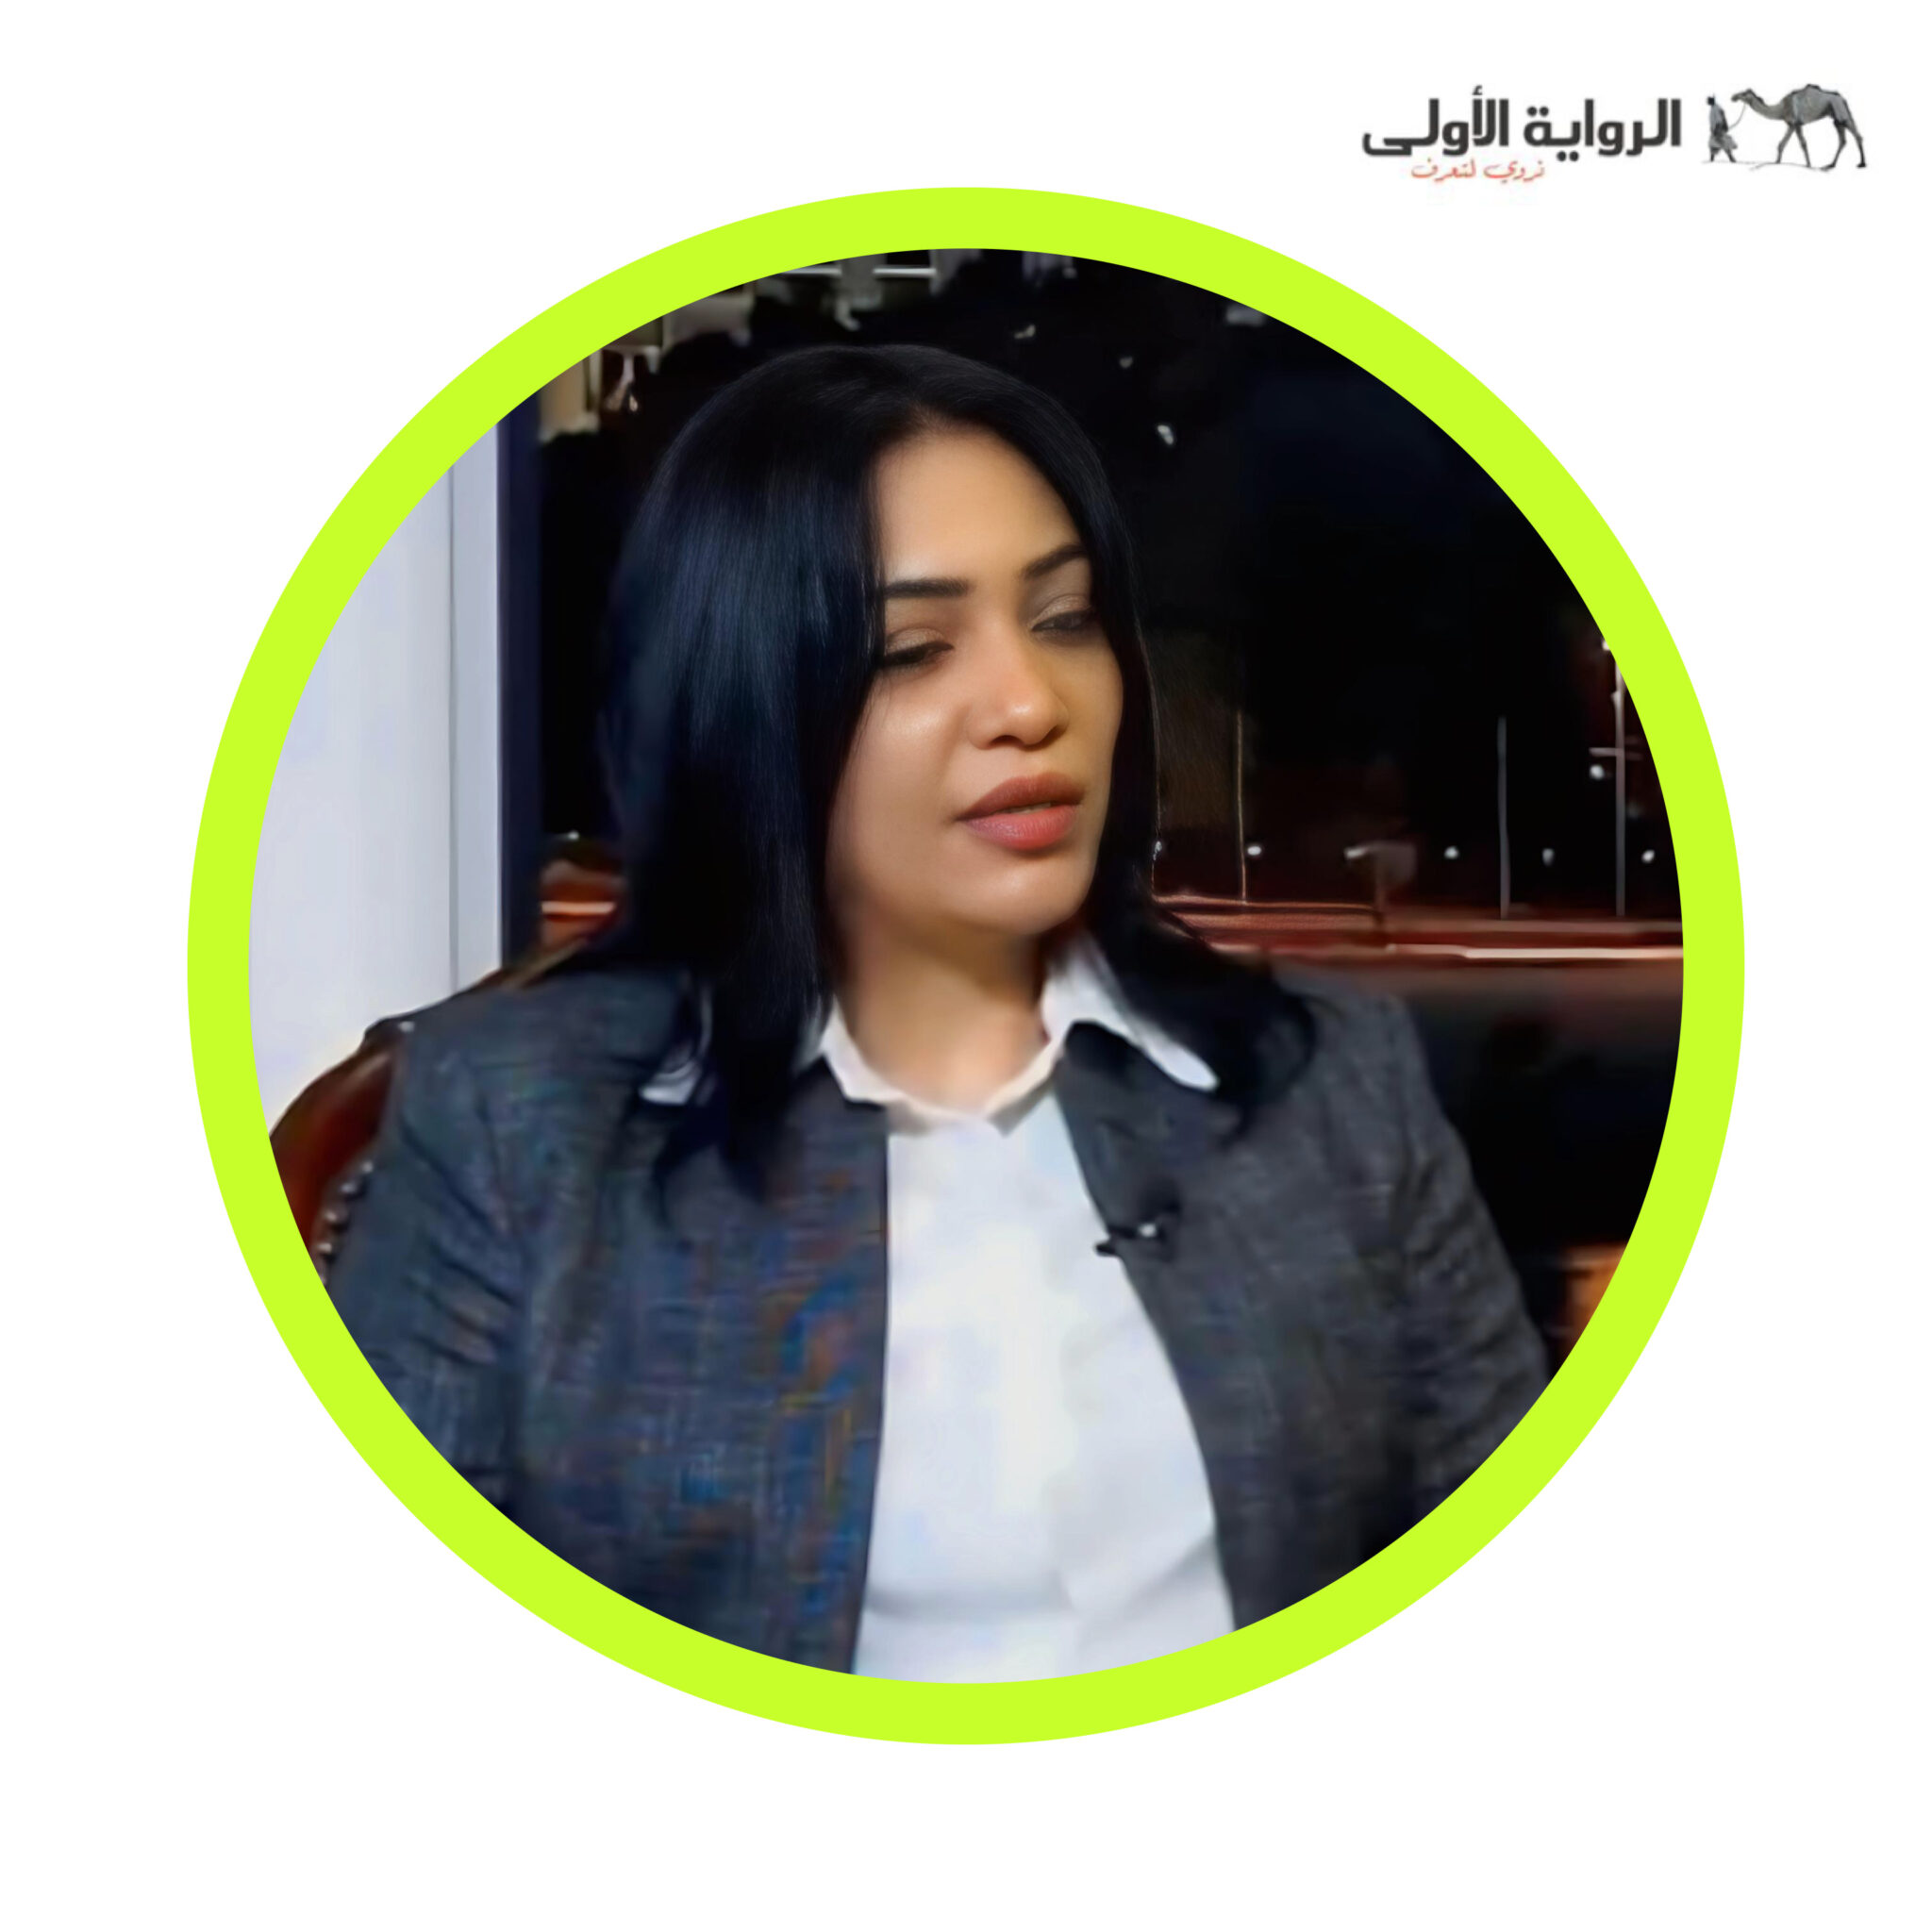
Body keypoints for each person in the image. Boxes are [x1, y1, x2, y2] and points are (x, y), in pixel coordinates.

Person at [325, 343, 1546, 1683]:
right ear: (747, 700)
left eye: (1065, 619)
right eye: (914, 649)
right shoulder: (511, 1124)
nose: (1030, 704)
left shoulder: (1329, 1082)